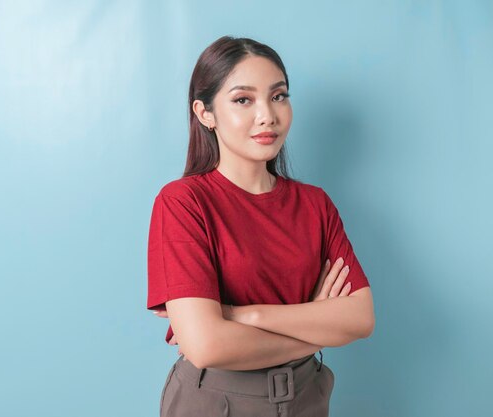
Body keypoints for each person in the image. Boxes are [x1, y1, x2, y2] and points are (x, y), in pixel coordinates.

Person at [147, 35, 375, 417]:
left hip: (307, 396)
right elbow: (207, 346)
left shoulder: (315, 204)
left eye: (278, 96)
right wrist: (314, 324)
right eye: (243, 100)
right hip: (216, 400)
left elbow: (360, 319)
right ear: (205, 114)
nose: (267, 115)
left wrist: (242, 314)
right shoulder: (184, 202)